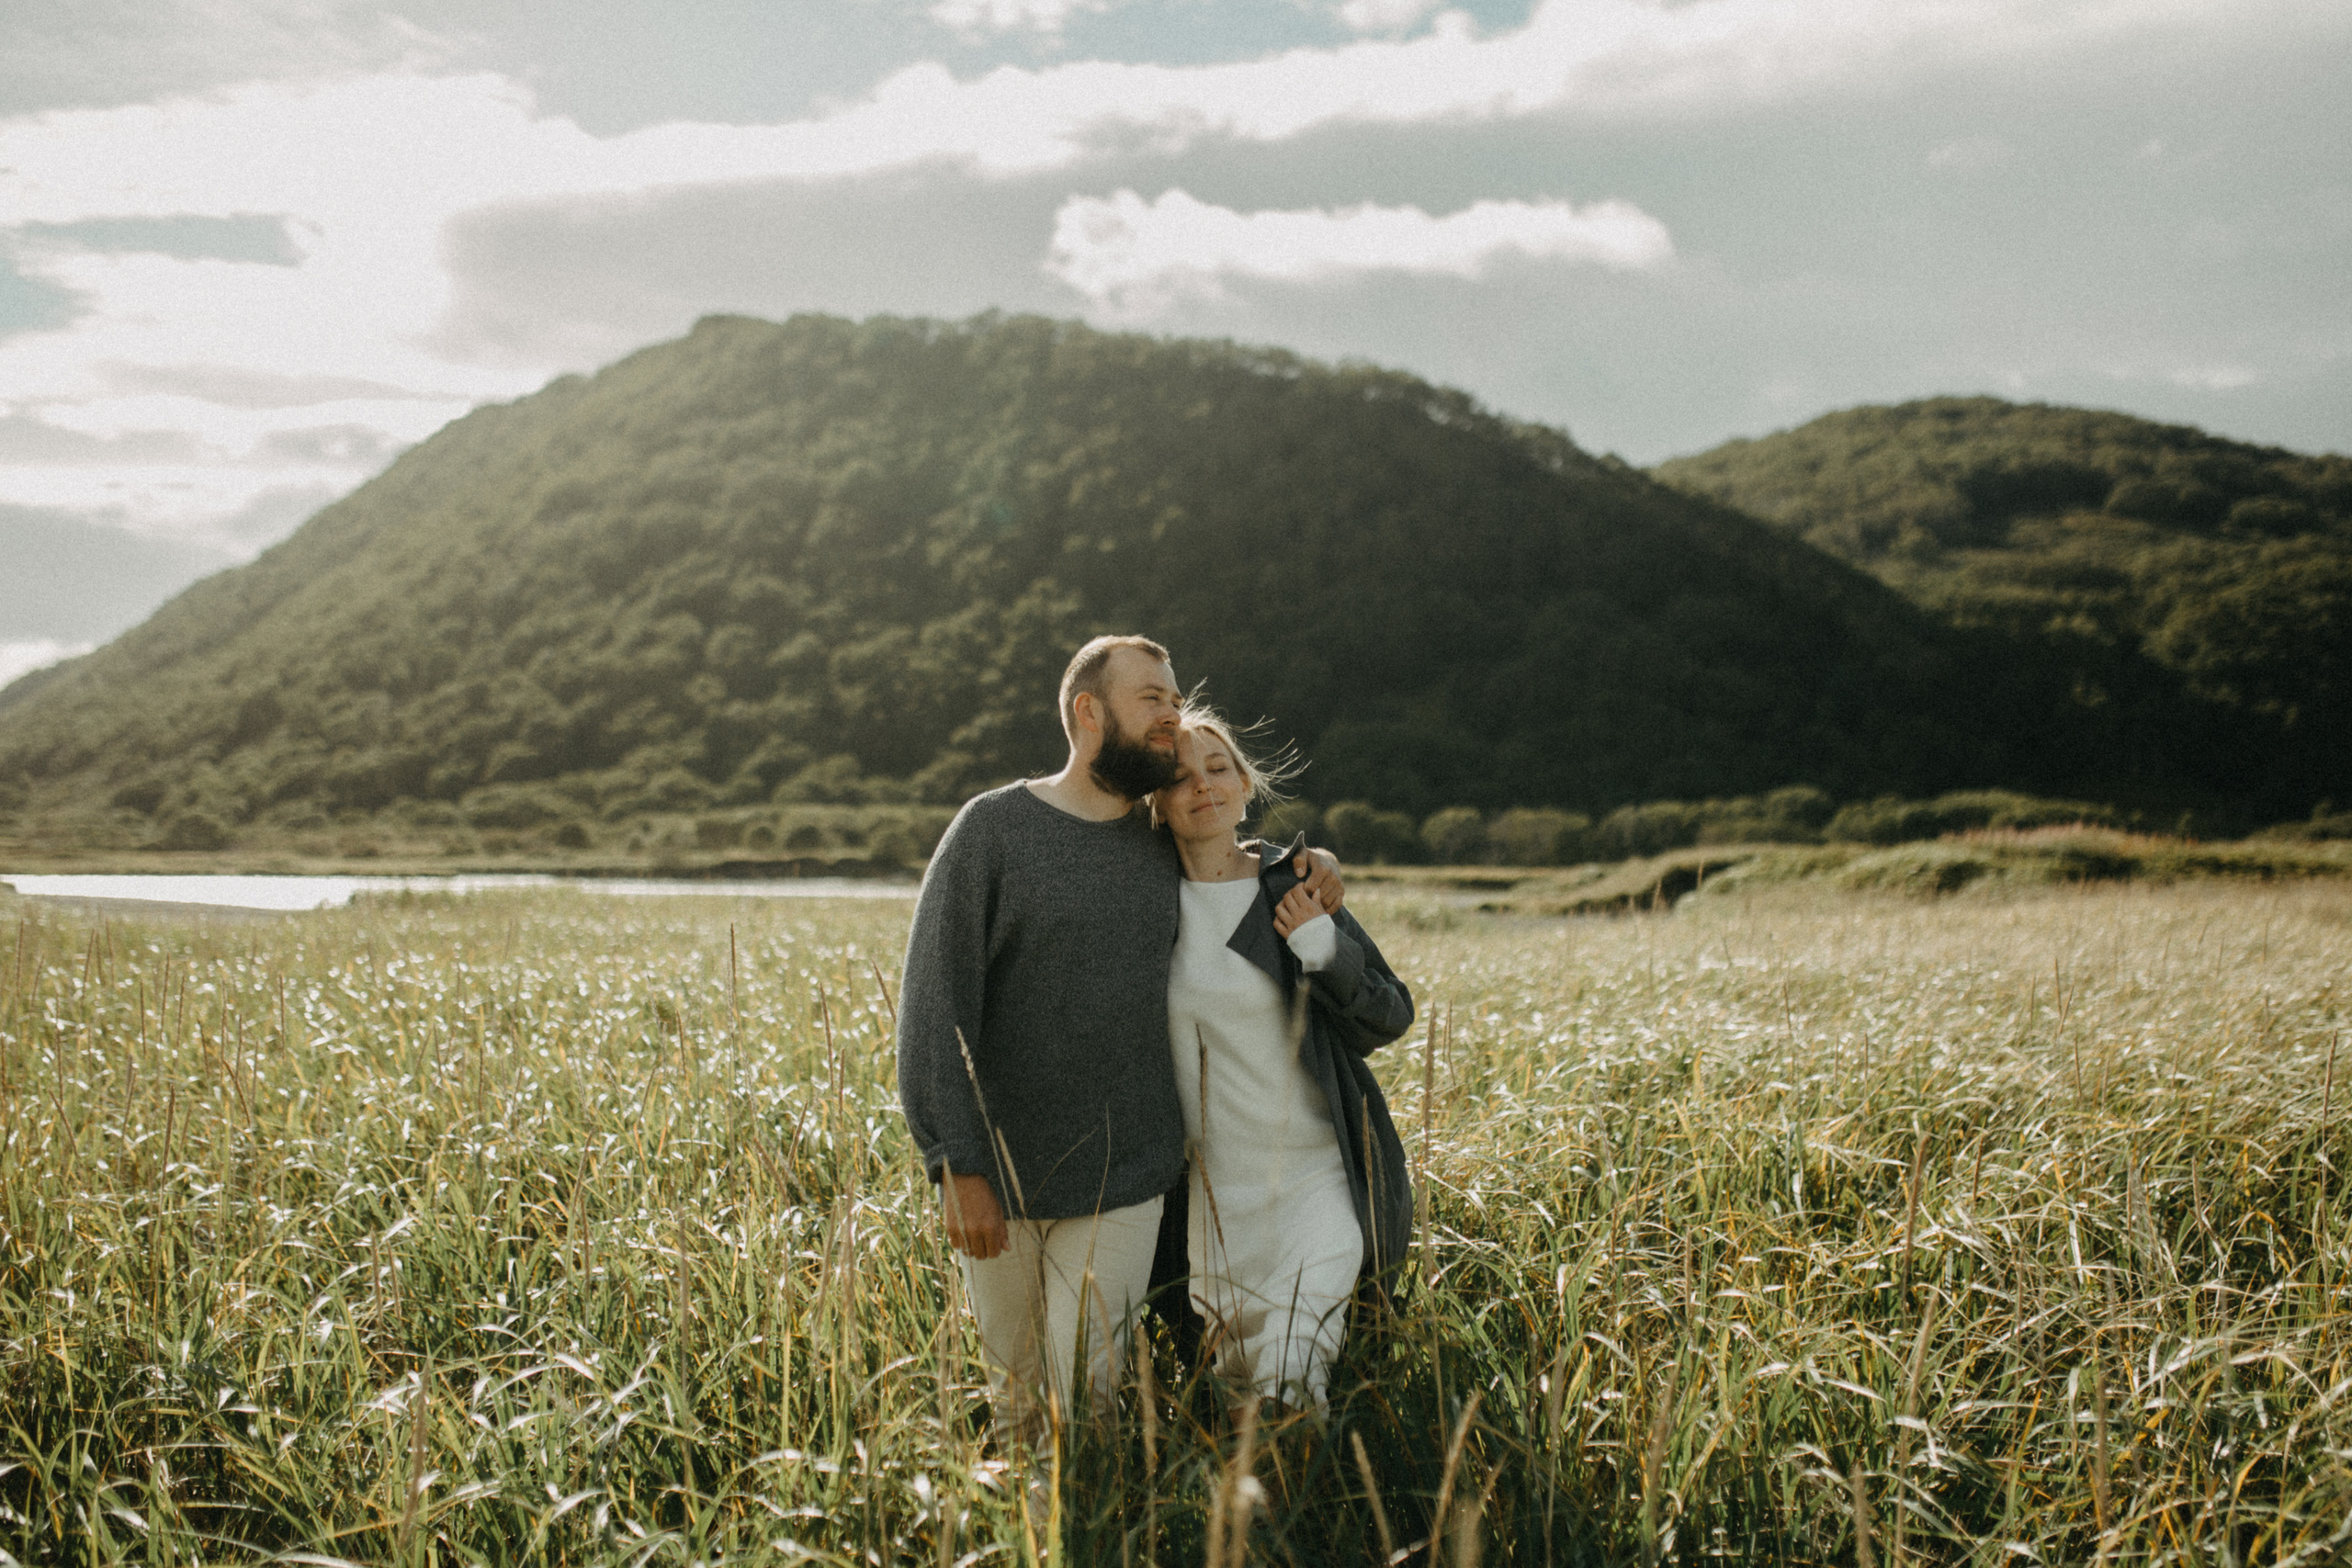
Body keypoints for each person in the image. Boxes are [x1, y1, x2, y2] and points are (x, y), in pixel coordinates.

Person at [893, 635, 1345, 1471]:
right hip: (1004, 1177)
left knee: (1089, 1393)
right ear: (1088, 713)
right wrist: (956, 1162)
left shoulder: (1159, 840)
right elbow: (931, 1008)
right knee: (1019, 1395)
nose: (1172, 714)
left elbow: (1241, 861)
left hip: (1128, 1180)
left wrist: (1317, 871)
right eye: (1152, 698)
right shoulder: (993, 831)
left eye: (1175, 698)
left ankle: (1099, 1530)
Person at [1153, 706, 1415, 1412]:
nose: (1202, 787)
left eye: (1218, 769)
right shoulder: (1143, 904)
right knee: (1241, 1387)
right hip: (1213, 1196)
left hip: (1316, 1174)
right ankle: (1273, 1513)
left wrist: (1324, 949)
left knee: (1298, 1362)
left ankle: (1317, 1487)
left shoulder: (1290, 885)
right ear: (1155, 801)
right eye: (1179, 776)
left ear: (1245, 784)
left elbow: (1389, 1012)